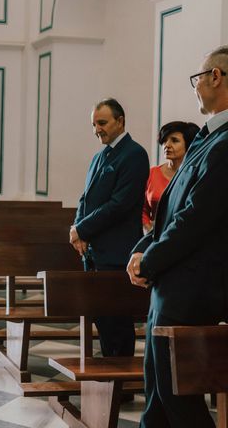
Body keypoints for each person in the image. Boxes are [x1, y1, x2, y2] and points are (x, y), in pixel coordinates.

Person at [127, 46, 228, 428]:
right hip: (172, 285)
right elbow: (169, 209)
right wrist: (141, 250)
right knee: (157, 393)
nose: (197, 86)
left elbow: (194, 219)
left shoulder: (225, 144)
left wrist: (150, 260)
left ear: (216, 77)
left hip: (192, 288)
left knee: (176, 395)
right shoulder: (206, 139)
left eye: (198, 77)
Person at [71, 98, 149, 358]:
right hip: (95, 253)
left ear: (120, 121)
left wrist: (83, 229)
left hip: (117, 253)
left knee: (118, 322)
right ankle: (108, 383)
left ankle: (121, 387)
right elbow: (85, 198)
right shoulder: (99, 156)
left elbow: (120, 205)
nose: (97, 130)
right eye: (94, 124)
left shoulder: (135, 154)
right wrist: (78, 228)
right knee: (101, 319)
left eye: (102, 123)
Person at [143, 121, 200, 232]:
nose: (167, 145)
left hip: (184, 235)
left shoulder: (195, 175)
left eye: (174, 140)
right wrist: (148, 230)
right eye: (165, 141)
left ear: (189, 145)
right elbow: (143, 209)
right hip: (154, 236)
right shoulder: (152, 173)